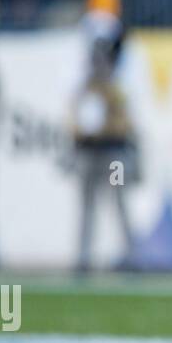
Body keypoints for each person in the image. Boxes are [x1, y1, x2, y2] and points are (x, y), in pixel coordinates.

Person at [71, 37, 137, 272]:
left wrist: (104, 125)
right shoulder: (84, 89)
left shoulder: (117, 89)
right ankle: (83, 257)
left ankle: (130, 255)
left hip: (112, 153)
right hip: (90, 153)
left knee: (118, 203)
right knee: (87, 205)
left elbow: (125, 125)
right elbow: (74, 122)